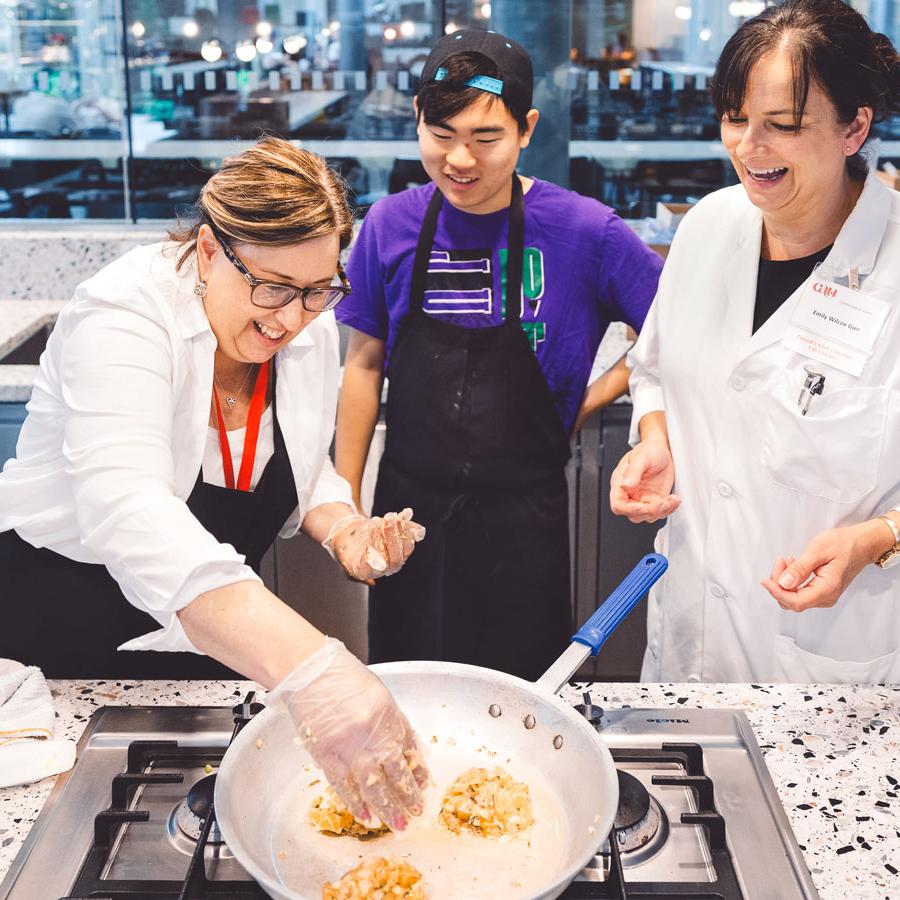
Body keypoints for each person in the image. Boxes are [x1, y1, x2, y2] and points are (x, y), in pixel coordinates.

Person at [0, 137, 427, 829]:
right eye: (271, 286)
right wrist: (316, 668)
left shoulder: (300, 329)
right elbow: (128, 507)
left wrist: (345, 528)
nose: (289, 317)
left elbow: (304, 465)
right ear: (207, 250)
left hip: (207, 638)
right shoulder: (123, 315)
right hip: (60, 639)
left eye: (318, 290)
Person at [335, 30, 662, 680]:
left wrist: (588, 399)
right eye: (440, 133)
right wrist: (346, 507)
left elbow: (669, 335)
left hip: (524, 521)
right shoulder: (389, 225)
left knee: (523, 703)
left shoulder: (585, 230)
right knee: (405, 700)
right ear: (417, 122)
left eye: (485, 139)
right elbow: (363, 364)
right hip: (406, 512)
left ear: (527, 128)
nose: (460, 159)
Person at [611, 0, 900, 683]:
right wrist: (657, 439)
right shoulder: (709, 226)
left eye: (783, 126)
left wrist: (876, 538)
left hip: (828, 658)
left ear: (854, 126)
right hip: (689, 637)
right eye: (736, 119)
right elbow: (653, 368)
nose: (747, 147)